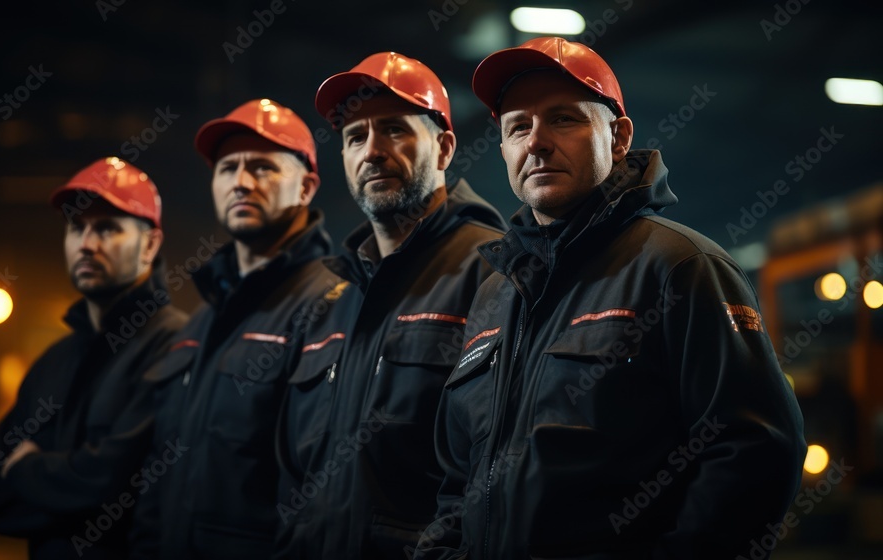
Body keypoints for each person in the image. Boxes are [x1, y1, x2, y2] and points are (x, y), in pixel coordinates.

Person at [415, 37, 807, 559]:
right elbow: (458, 475)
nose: (537, 142)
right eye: (518, 127)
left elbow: (755, 452)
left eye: (564, 120)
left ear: (618, 137)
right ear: (505, 147)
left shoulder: (681, 267)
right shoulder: (495, 294)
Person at [274, 52, 507, 559]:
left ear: (444, 148)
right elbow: (293, 471)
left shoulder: (493, 273)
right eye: (355, 138)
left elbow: (497, 467)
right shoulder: (332, 296)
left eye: (395, 130)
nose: (372, 152)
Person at [130, 99, 345, 559]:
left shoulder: (333, 305)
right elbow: (158, 476)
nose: (241, 183)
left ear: (306, 187)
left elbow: (323, 493)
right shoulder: (202, 322)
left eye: (263, 168)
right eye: (227, 168)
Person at [0, 157, 188, 560]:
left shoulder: (176, 343)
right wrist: (75, 489)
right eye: (77, 228)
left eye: (107, 228)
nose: (87, 244)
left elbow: (121, 488)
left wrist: (27, 472)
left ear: (150, 244)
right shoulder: (54, 361)